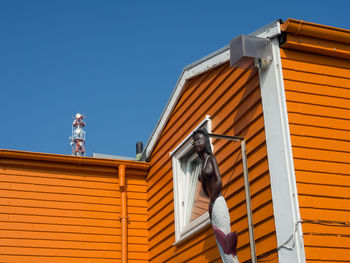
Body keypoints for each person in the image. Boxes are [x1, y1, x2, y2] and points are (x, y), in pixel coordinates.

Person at [192, 128, 239, 263]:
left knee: (226, 243)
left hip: (218, 202)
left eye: (199, 140)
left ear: (206, 141)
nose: (196, 143)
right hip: (213, 204)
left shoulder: (211, 158)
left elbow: (218, 181)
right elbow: (206, 189)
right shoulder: (202, 164)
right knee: (221, 244)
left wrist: (212, 202)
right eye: (194, 141)